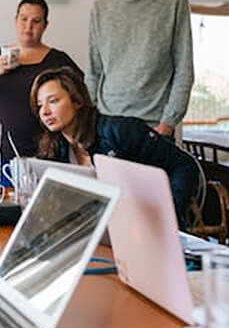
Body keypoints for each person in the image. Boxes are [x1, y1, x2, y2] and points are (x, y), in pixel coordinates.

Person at [30, 67, 200, 228]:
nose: (44, 111)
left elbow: (185, 165)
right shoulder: (54, 148)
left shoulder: (120, 131)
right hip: (98, 230)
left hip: (145, 228)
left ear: (77, 101)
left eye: (53, 101)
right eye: (39, 105)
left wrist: (166, 212)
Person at [88, 0, 193, 137]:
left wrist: (168, 123)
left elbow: (184, 69)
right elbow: (93, 71)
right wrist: (90, 121)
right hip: (107, 123)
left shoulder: (172, 1)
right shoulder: (100, 7)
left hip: (153, 126)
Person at [0, 0, 81, 161]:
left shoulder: (58, 60)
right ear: (16, 20)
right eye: (24, 19)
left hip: (46, 154)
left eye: (36, 21)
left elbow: (81, 101)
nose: (28, 27)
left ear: (45, 26)